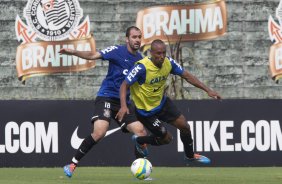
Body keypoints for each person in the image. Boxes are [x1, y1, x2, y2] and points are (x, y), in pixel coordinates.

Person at [59, 26, 149, 178]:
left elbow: (141, 87)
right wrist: (73, 52)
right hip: (106, 97)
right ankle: (73, 163)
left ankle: (142, 170)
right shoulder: (116, 51)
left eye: (139, 37)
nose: (137, 40)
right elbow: (93, 55)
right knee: (100, 132)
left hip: (123, 103)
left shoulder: (141, 61)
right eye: (134, 37)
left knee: (140, 131)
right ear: (127, 39)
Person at [117, 39, 222, 164]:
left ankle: (190, 155)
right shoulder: (141, 67)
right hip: (145, 111)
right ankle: (140, 141)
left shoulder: (169, 63)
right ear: (151, 53)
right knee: (167, 139)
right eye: (158, 53)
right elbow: (124, 85)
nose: (162, 56)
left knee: (185, 126)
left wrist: (208, 90)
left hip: (162, 103)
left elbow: (187, 76)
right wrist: (123, 106)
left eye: (163, 53)